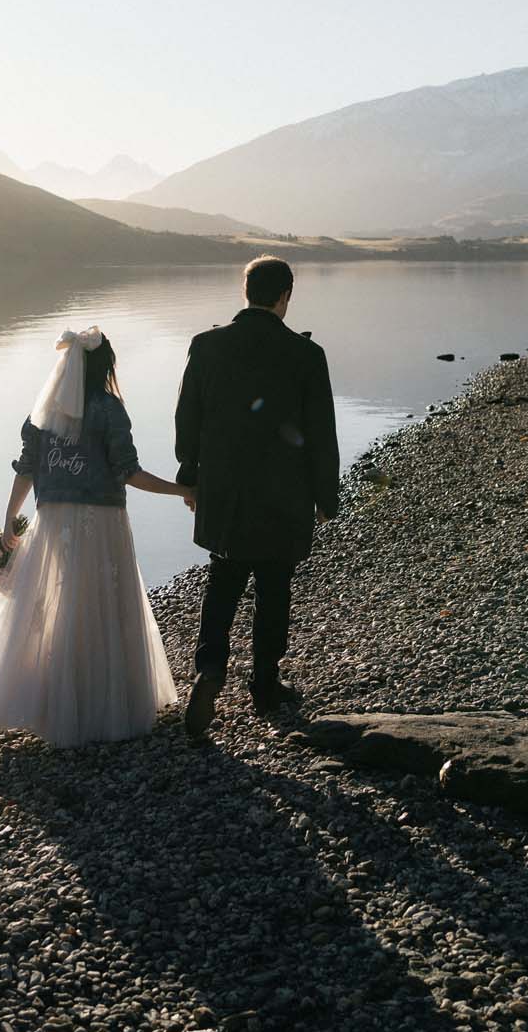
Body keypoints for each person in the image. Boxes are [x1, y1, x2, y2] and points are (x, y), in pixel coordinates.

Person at [0, 326, 190, 747]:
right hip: (103, 523)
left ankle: (54, 700)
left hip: (54, 522)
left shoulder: (42, 412)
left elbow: (27, 468)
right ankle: (101, 701)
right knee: (103, 606)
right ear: (105, 366)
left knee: (56, 605)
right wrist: (183, 491)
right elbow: (129, 471)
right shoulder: (109, 409)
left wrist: (10, 518)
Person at [174, 255, 339, 738]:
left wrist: (190, 474)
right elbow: (321, 432)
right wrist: (325, 496)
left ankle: (210, 671)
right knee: (274, 585)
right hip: (285, 492)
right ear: (285, 295)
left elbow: (187, 417)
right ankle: (265, 684)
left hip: (224, 488)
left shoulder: (206, 345)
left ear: (245, 292)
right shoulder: (307, 354)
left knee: (222, 579)